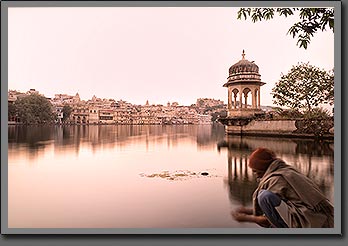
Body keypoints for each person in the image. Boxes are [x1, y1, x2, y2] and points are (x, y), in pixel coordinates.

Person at [231, 147, 334, 228]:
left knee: (264, 196)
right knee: (264, 197)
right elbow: (278, 208)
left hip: (309, 221)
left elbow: (268, 219)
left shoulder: (276, 180)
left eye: (255, 170)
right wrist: (249, 211)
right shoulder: (285, 170)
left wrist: (246, 218)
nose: (255, 174)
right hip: (317, 216)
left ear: (262, 168)